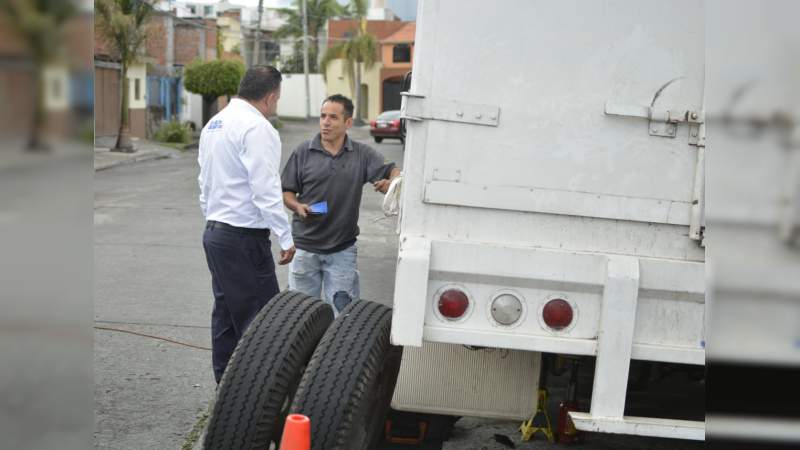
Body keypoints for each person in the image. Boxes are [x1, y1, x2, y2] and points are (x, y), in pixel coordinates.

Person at [198, 66, 295, 383]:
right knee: (262, 321)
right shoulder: (257, 128)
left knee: (226, 314)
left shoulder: (214, 124)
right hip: (242, 238)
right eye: (277, 99)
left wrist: (216, 219)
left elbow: (205, 183)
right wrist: (285, 235)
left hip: (215, 232)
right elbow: (265, 188)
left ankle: (226, 389)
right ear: (269, 96)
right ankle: (257, 399)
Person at [281, 94, 400, 314]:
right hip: (305, 249)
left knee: (343, 316)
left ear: (347, 123)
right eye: (323, 116)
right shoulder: (303, 152)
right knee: (300, 315)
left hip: (342, 250)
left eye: (333, 117)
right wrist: (297, 206)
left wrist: (390, 183)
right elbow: (287, 191)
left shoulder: (362, 154)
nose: (325, 122)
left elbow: (393, 170)